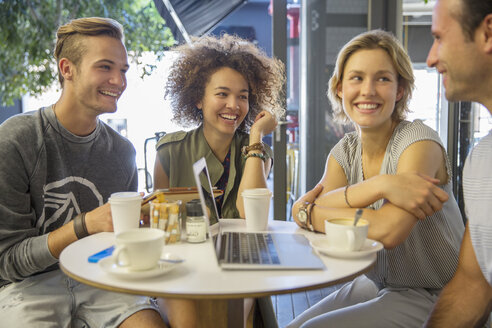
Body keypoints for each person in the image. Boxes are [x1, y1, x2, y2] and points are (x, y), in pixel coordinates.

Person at [287, 29, 464, 328]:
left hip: (440, 293)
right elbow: (316, 211)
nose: (368, 90)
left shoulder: (418, 141)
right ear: (340, 88)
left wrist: (307, 212)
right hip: (383, 284)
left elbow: (389, 231)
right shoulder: (344, 151)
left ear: (400, 90)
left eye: (382, 78)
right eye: (356, 78)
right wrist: (381, 185)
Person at [0, 17, 166, 327]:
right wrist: (85, 224)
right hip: (27, 289)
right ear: (67, 69)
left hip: (101, 278)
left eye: (123, 70)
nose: (119, 81)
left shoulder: (122, 151)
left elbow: (119, 246)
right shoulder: (16, 140)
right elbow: (6, 262)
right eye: (105, 67)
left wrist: (141, 227)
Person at [153, 34, 285, 327]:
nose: (233, 105)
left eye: (243, 96)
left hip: (240, 268)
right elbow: (158, 224)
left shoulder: (258, 152)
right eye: (222, 94)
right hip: (181, 268)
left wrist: (255, 137)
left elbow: (248, 213)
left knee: (233, 308)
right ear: (198, 99)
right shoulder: (170, 151)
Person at [423, 0, 492, 326]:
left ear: (488, 33)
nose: (431, 58)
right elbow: (472, 284)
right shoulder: (481, 160)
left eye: (439, 37)